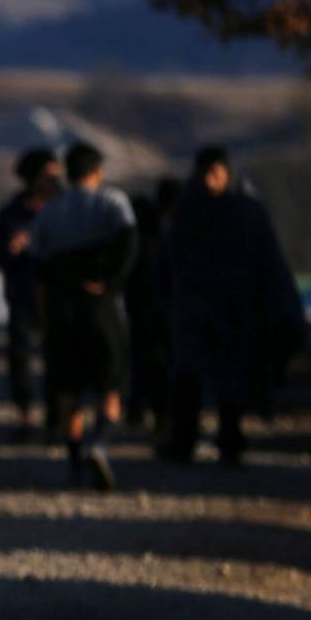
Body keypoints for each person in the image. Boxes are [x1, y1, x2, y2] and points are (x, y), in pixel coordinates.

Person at [157, 147, 306, 466]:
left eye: (217, 172)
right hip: (199, 306)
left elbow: (264, 260)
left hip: (228, 307)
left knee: (226, 378)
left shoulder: (235, 210)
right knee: (191, 377)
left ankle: (226, 437)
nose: (213, 179)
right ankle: (190, 439)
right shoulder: (193, 210)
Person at [31, 142, 138, 490]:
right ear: (96, 172)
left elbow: (37, 262)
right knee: (111, 386)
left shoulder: (50, 211)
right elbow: (129, 243)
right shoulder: (112, 202)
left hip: (63, 307)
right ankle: (101, 443)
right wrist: (110, 282)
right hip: (100, 306)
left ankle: (75, 460)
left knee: (68, 391)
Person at [0, 148, 63, 441]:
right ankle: (26, 415)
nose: (55, 181)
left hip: (59, 296)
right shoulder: (10, 215)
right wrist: (11, 249)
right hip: (23, 296)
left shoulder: (67, 210)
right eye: (49, 175)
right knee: (20, 359)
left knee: (60, 360)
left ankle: (58, 418)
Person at [124, 178, 178, 436]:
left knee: (140, 359)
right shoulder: (163, 234)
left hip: (139, 305)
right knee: (160, 363)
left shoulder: (139, 233)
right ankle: (161, 415)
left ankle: (137, 408)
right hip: (159, 306)